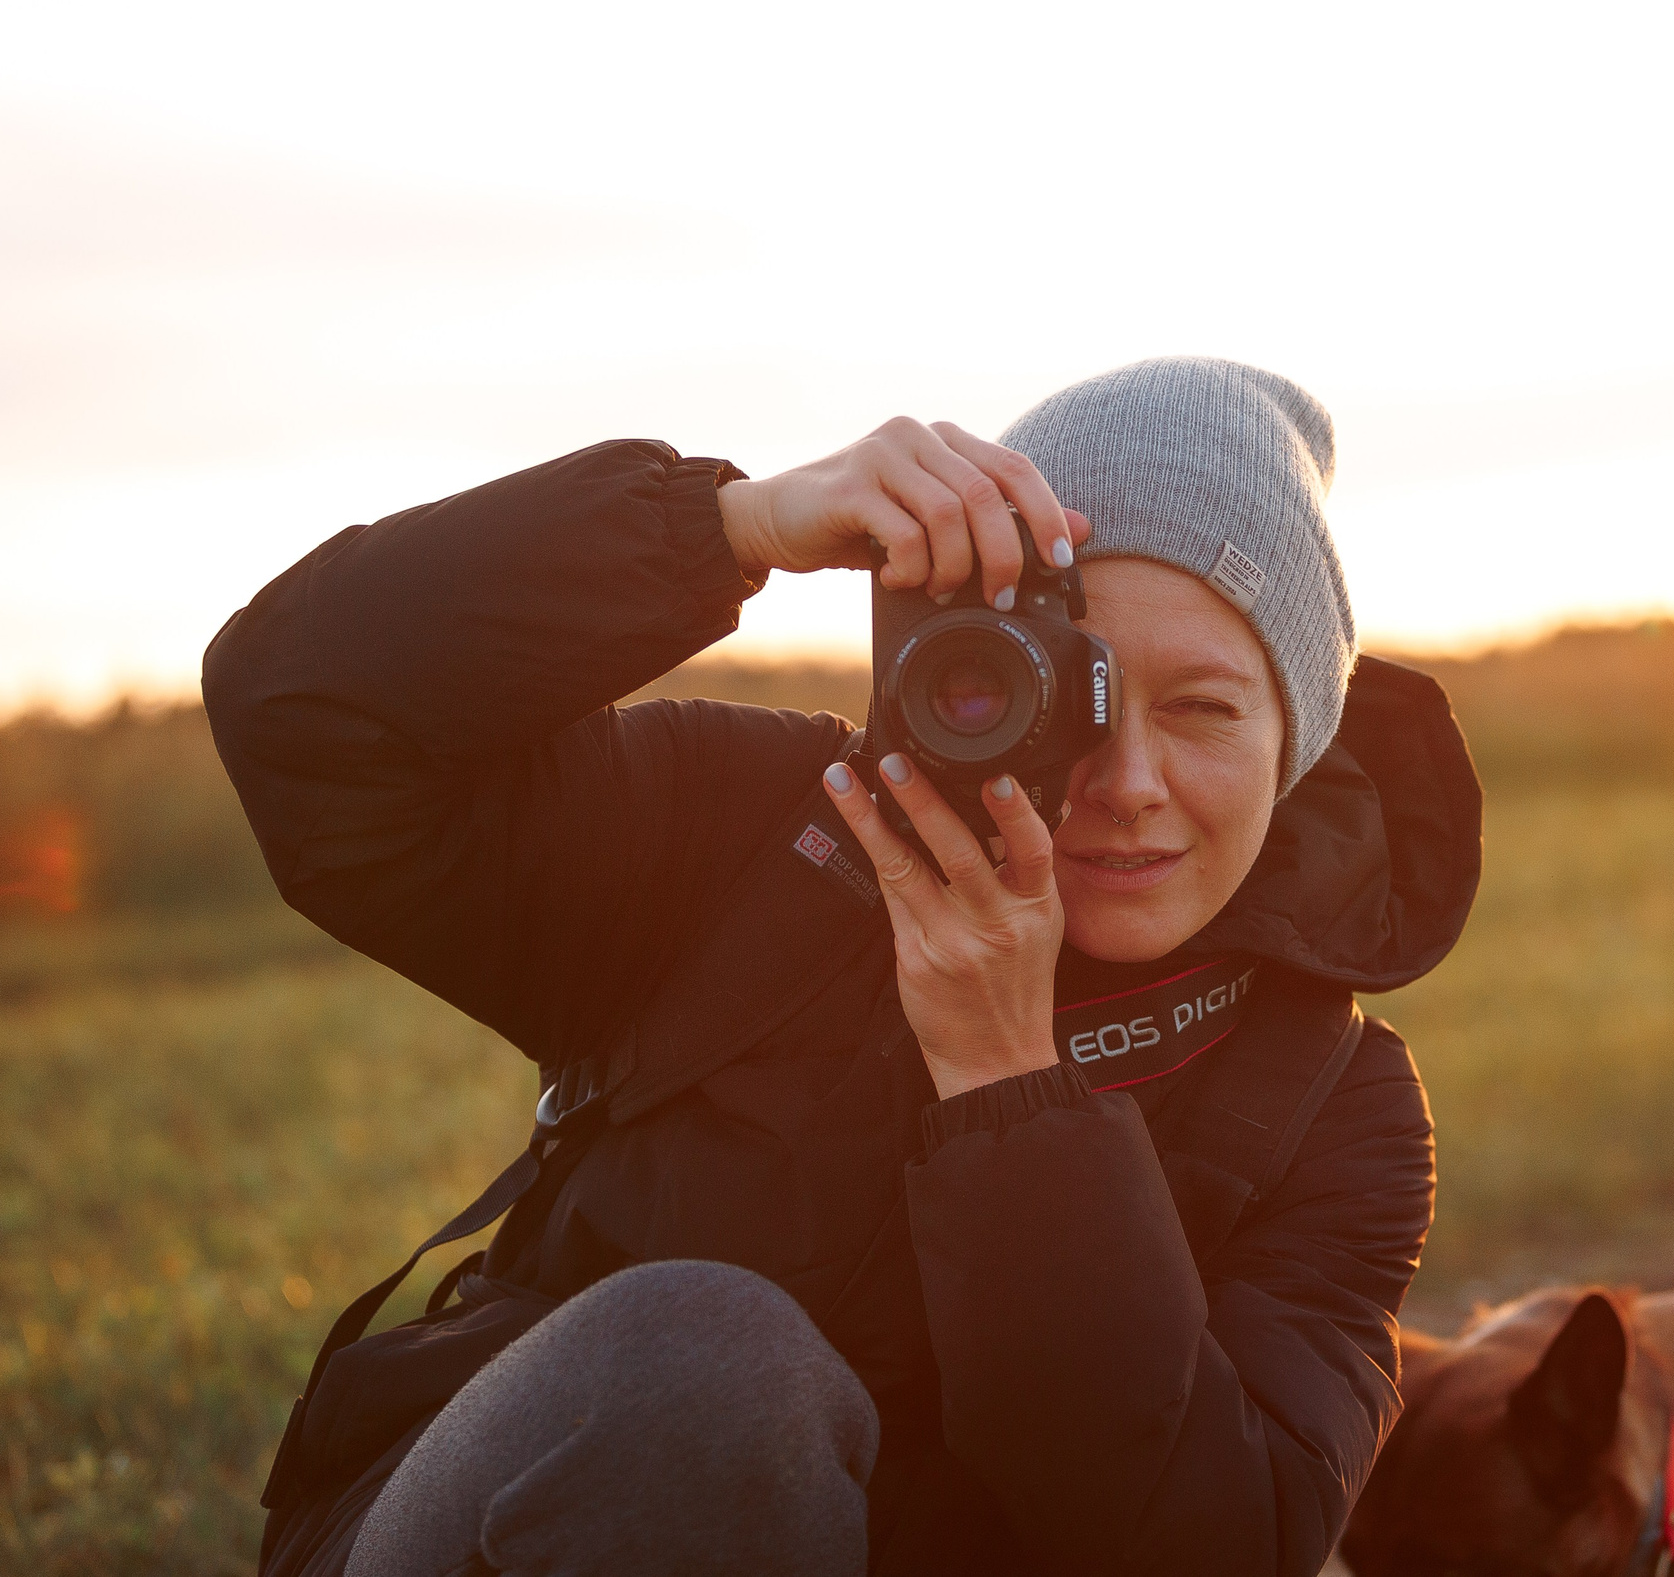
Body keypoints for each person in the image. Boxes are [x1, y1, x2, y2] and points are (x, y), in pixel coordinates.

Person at [204, 357, 1482, 1577]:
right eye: (1074, 692)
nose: (1129, 786)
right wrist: (726, 526)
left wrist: (1006, 1084)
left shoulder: (1333, 1106)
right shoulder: (757, 827)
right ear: (970, 664)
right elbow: (302, 710)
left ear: (1294, 744)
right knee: (703, 1364)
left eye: (1205, 709)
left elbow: (1216, 1548)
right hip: (490, 1535)